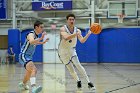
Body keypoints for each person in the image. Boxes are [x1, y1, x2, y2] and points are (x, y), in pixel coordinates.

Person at [58, 14, 96, 90]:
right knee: (71, 69)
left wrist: (88, 34)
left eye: (73, 19)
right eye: (70, 19)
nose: (71, 21)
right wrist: (75, 34)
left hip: (71, 50)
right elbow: (66, 38)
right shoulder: (63, 29)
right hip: (62, 51)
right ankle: (78, 81)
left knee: (78, 65)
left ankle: (89, 82)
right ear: (67, 20)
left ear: (74, 20)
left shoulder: (77, 30)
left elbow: (82, 41)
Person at [18, 20, 49, 93]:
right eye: (41, 27)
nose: (42, 29)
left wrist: (43, 42)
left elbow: (35, 43)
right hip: (24, 55)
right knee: (34, 69)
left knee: (29, 72)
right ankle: (34, 88)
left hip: (29, 56)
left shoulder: (36, 36)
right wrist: (41, 38)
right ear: (36, 27)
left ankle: (23, 84)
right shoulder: (31, 34)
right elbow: (32, 41)